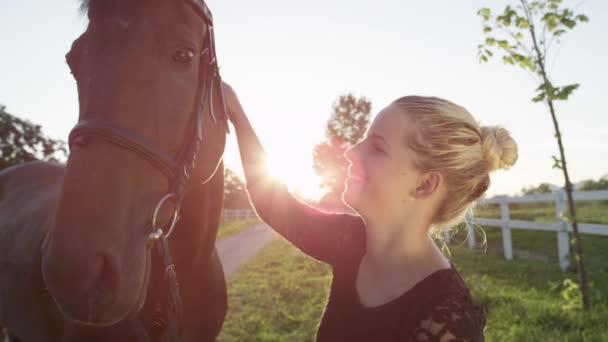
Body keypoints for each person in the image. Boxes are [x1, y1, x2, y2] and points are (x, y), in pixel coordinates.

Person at [221, 82, 518, 341]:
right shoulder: (351, 241)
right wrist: (235, 110)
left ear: (425, 184)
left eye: (377, 147)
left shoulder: (445, 319)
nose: (351, 152)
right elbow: (274, 204)